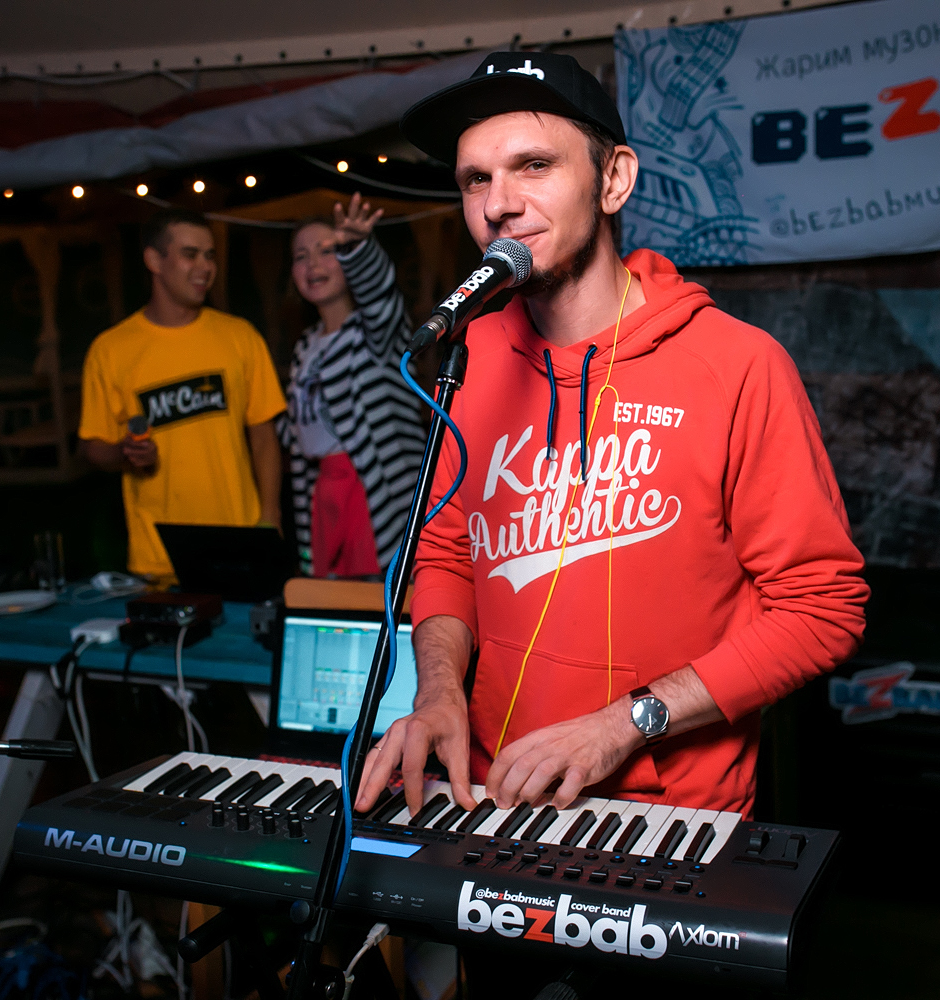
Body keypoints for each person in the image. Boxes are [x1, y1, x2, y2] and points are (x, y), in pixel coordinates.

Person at [357, 51, 868, 832]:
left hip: (665, 820)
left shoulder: (737, 364)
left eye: (534, 166)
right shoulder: (474, 357)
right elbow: (449, 555)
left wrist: (625, 724)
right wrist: (438, 693)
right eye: (475, 179)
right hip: (488, 798)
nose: (499, 205)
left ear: (614, 179)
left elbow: (821, 609)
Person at [79, 208, 285, 582]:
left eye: (210, 256)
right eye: (190, 254)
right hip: (159, 557)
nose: (205, 267)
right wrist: (125, 452)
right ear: (154, 260)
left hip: (239, 545)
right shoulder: (110, 350)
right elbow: (93, 446)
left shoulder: (240, 337)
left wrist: (270, 517)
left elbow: (264, 436)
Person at [280, 193, 425, 578]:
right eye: (301, 256)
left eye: (327, 251)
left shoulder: (376, 331)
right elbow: (299, 437)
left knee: (379, 600)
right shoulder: (304, 347)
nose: (313, 264)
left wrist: (358, 248)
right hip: (325, 494)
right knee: (331, 601)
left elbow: (380, 297)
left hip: (377, 494)